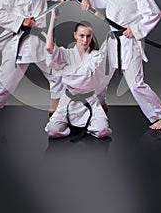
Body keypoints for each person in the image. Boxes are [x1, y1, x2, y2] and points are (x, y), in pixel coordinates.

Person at [81, 0, 161, 130]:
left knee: (136, 83)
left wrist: (135, 28)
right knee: (100, 73)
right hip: (113, 41)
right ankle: (99, 105)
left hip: (129, 42)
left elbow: (154, 13)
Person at [44, 9, 112, 139]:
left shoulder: (96, 56)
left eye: (88, 36)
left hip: (90, 100)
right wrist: (53, 19)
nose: (85, 40)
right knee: (53, 131)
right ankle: (73, 126)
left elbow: (87, 75)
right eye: (81, 36)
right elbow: (49, 48)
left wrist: (65, 72)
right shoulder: (67, 54)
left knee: (103, 131)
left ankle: (84, 126)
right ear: (75, 35)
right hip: (68, 99)